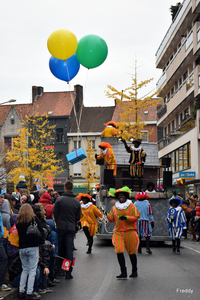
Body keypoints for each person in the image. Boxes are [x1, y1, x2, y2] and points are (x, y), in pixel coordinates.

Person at [107, 186, 140, 279]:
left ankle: (134, 271)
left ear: (126, 196)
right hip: (118, 232)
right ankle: (123, 272)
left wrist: (127, 218)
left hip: (130, 232)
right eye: (119, 195)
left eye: (122, 195)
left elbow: (136, 217)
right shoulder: (114, 207)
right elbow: (111, 219)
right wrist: (106, 215)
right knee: (119, 250)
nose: (121, 196)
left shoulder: (132, 206)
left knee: (131, 252)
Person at [53, 181, 81, 279]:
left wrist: (58, 221)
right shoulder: (76, 201)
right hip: (70, 227)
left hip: (60, 226)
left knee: (59, 248)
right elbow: (78, 217)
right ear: (72, 188)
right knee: (69, 250)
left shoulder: (59, 200)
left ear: (64, 188)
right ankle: (68, 271)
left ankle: (56, 269)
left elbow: (55, 213)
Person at [16, 203, 44, 300]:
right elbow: (41, 231)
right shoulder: (34, 219)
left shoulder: (18, 221)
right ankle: (29, 293)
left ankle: (21, 291)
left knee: (25, 269)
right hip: (32, 247)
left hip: (22, 248)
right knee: (32, 270)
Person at [0, 206, 11, 295]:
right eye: (1, 197)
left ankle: (2, 282)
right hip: (3, 237)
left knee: (4, 258)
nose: (2, 200)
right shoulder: (7, 215)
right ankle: (2, 282)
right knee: (4, 258)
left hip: (1, 237)